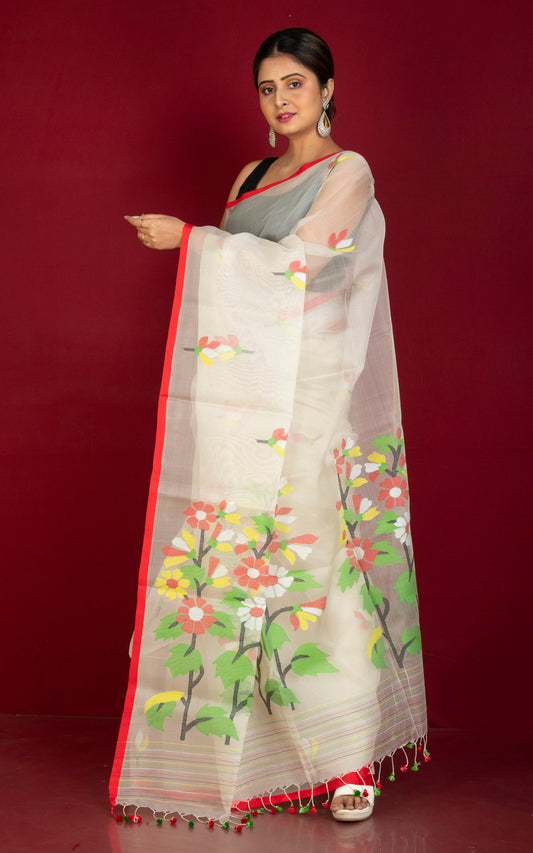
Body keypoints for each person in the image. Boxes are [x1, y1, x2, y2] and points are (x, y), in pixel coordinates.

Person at [110, 28, 427, 828]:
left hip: (310, 385)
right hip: (240, 389)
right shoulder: (249, 177)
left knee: (311, 551)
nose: (281, 99)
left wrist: (190, 240)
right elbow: (240, 287)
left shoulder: (348, 172)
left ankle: (347, 754)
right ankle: (248, 747)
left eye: (294, 83)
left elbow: (304, 264)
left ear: (326, 90)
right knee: (233, 547)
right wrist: (204, 243)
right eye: (267, 86)